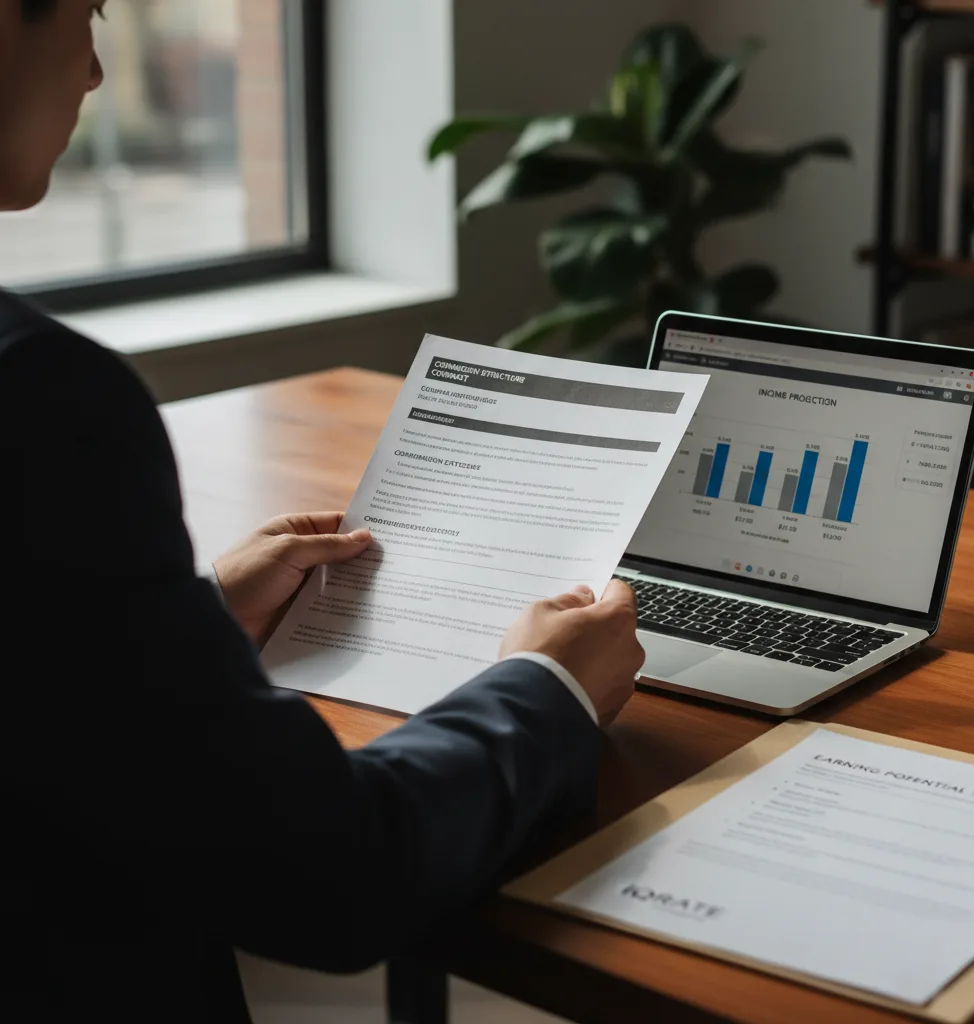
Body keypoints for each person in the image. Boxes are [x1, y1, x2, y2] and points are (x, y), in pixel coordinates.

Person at [1, 2, 646, 1020]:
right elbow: (328, 872)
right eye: (84, 16)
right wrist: (547, 683)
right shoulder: (39, 399)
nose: (91, 72)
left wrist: (192, 624)